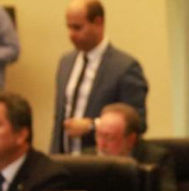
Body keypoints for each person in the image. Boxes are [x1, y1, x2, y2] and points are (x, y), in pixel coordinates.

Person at [51, 0, 149, 155]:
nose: (71, 34)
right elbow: (59, 119)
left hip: (100, 161)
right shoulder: (66, 63)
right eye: (68, 27)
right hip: (65, 159)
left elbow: (138, 124)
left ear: (98, 22)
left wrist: (94, 126)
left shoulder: (124, 68)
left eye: (77, 27)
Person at [92, 103, 176, 191]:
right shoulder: (87, 158)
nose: (101, 144)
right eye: (98, 135)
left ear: (130, 140)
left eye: (109, 137)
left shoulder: (156, 159)